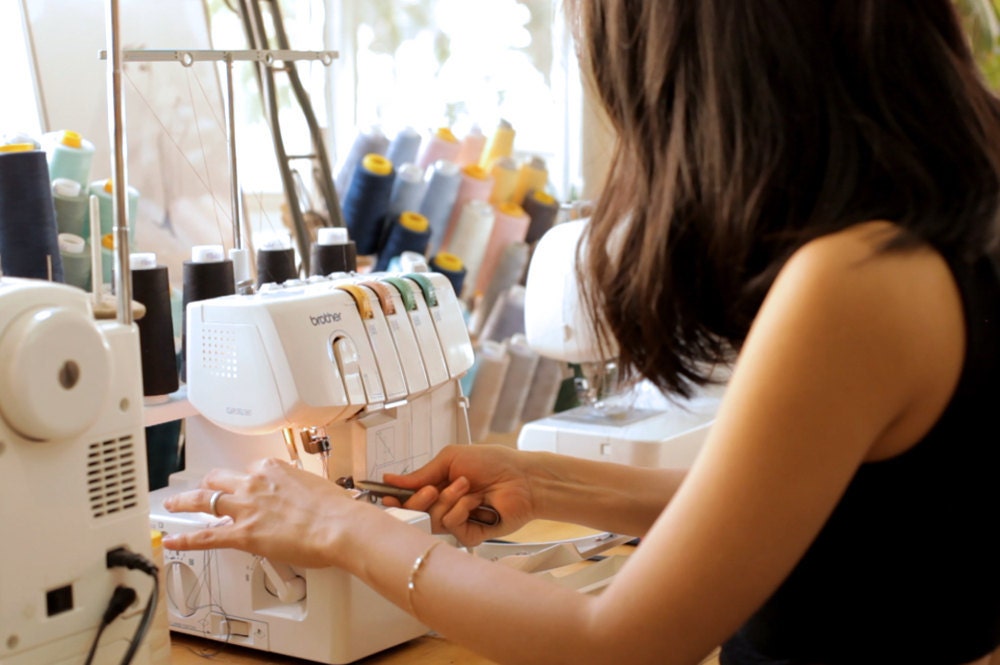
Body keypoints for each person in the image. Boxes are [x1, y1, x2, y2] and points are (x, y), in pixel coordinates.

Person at [163, 2, 1000, 663]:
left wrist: (346, 530)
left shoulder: (852, 286)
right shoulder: (954, 221)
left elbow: (620, 641)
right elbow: (808, 511)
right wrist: (539, 478)